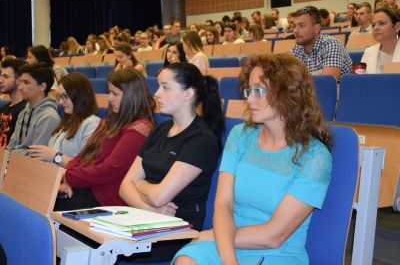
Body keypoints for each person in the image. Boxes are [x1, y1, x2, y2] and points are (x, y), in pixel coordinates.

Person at [174, 53, 332, 265]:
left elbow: (274, 236)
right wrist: (228, 257)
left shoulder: (315, 156)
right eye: (249, 90)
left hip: (278, 253)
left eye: (258, 90)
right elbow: (223, 204)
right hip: (225, 242)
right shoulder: (240, 135)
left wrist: (212, 236)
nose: (248, 99)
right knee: (186, 260)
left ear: (287, 93)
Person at [119, 62, 225, 262]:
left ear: (188, 94)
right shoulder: (160, 129)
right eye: (158, 86)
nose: (157, 93)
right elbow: (124, 186)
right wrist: (150, 208)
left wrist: (140, 184)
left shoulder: (201, 139)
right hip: (148, 218)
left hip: (179, 230)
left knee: (111, 252)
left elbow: (159, 196)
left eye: (165, 87)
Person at [54, 68, 154, 210]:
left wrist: (69, 176)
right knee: (43, 198)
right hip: (89, 186)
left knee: (52, 204)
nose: (109, 98)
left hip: (106, 198)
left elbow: (107, 170)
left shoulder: (139, 129)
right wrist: (69, 177)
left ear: (131, 96)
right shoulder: (109, 121)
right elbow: (82, 156)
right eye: (109, 92)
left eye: (114, 93)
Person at [27, 73, 100, 167]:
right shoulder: (67, 121)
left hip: (67, 179)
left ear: (79, 95)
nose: (60, 102)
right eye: (59, 96)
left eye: (65, 96)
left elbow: (86, 166)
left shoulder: (92, 124)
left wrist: (55, 157)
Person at [7, 63, 60, 155]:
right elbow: (10, 146)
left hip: (28, 167)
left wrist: (12, 154)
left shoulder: (49, 118)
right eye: (21, 82)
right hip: (14, 163)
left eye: (26, 83)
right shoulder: (24, 112)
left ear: (42, 86)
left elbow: (36, 156)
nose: (20, 88)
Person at [291, 6, 352, 79]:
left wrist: (299, 77)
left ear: (317, 28)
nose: (295, 30)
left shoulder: (331, 44)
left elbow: (327, 81)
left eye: (301, 25)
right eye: (294, 26)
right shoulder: (296, 49)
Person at [361, 7, 400, 73]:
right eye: (373, 25)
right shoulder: (368, 52)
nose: (375, 28)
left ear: (397, 27)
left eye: (381, 23)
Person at [0, 58, 27, 147]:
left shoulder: (26, 110)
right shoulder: (3, 108)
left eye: (6, 77)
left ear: (19, 80)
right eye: (1, 76)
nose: (0, 80)